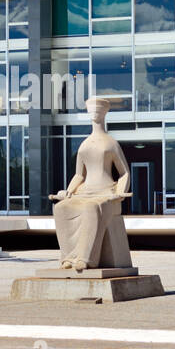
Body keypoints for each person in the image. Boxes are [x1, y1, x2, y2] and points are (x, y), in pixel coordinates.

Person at [50, 97, 133, 272]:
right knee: (61, 208)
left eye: (98, 110)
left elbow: (124, 173)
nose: (95, 113)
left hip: (106, 194)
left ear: (105, 113)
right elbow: (79, 175)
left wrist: (119, 193)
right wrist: (68, 191)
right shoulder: (84, 144)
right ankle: (69, 257)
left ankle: (85, 258)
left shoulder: (111, 143)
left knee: (91, 208)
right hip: (85, 192)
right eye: (92, 110)